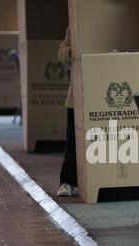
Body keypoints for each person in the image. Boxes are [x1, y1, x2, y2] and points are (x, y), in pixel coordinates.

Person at [57, 27, 78, 197]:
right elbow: (62, 53)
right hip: (77, 94)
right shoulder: (76, 24)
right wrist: (73, 51)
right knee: (73, 139)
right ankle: (67, 182)